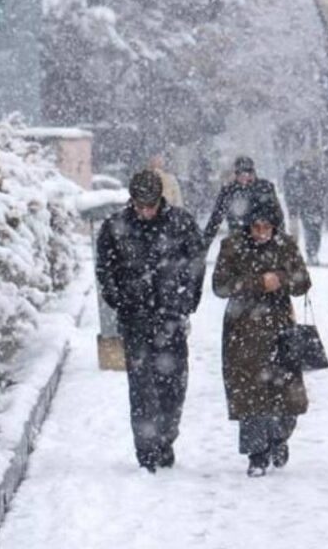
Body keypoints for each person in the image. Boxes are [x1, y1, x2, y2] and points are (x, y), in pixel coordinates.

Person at [95, 170, 206, 473]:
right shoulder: (115, 227)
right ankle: (147, 451)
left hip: (171, 316)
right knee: (142, 389)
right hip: (136, 319)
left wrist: (187, 300)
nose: (145, 212)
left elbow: (197, 263)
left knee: (173, 386)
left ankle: (166, 438)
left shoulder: (181, 224)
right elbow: (105, 268)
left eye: (150, 205)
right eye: (140, 206)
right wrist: (118, 298)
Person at [212, 201, 311, 477]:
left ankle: (279, 439)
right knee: (250, 394)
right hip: (243, 331)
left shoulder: (285, 245)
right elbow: (220, 285)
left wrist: (280, 278)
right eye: (256, 227)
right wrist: (256, 282)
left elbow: (303, 282)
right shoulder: (232, 246)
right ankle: (256, 454)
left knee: (286, 395)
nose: (261, 232)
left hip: (280, 328)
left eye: (267, 226)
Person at [203, 156, 284, 246]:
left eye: (249, 173)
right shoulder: (229, 191)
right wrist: (205, 244)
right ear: (236, 175)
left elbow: (277, 214)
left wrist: (280, 237)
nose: (246, 177)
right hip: (238, 239)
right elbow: (216, 218)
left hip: (263, 237)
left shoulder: (265, 188)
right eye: (242, 174)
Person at [283, 157, 326, 266]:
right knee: (310, 231)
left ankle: (300, 255)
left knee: (307, 231)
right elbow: (323, 189)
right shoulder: (315, 172)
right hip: (311, 205)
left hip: (309, 205)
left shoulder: (292, 173)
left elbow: (288, 191)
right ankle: (309, 254)